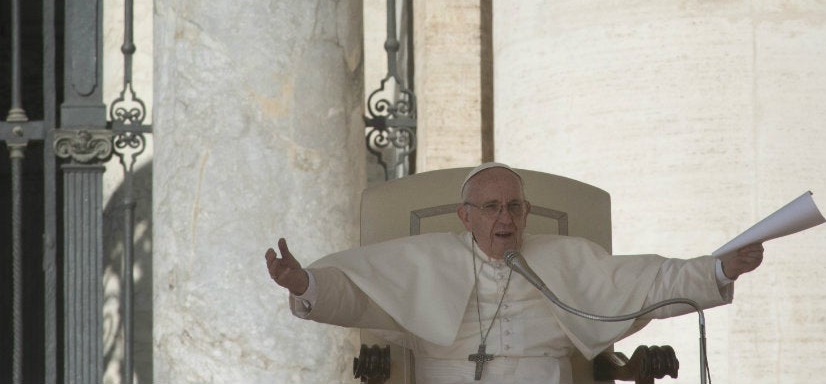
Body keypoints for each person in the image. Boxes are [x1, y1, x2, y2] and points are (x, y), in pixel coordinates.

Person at [266, 162, 764, 384]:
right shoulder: (422, 260)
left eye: (514, 207)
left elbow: (651, 280)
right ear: (466, 216)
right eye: (490, 208)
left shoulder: (567, 259)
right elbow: (356, 291)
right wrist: (304, 283)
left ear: (526, 211)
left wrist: (719, 268)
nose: (504, 219)